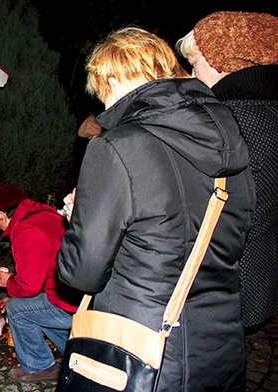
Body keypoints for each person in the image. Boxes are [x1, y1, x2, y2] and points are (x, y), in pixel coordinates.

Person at [57, 27, 255, 391]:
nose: (104, 107)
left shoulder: (118, 147)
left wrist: (78, 218)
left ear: (113, 79)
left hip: (140, 351)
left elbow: (80, 273)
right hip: (219, 345)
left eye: (103, 91)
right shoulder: (232, 145)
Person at [176, 11, 278, 330]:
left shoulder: (227, 122)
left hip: (218, 286)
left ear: (218, 59)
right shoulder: (267, 111)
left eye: (195, 62)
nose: (192, 73)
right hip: (257, 273)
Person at [0, 183, 82, 383]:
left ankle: (39, 366)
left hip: (70, 304)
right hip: (76, 295)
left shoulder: (26, 230)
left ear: (2, 215)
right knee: (33, 308)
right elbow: (40, 273)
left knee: (18, 310)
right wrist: (14, 287)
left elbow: (29, 286)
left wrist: (9, 281)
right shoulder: (42, 214)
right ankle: (77, 356)